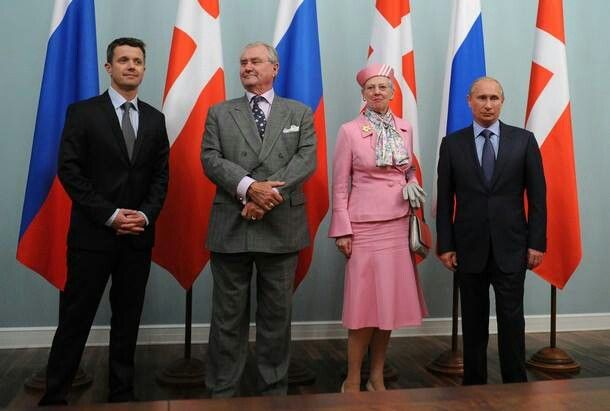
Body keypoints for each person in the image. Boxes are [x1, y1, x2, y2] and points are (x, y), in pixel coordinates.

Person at [39, 37, 169, 405]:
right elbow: (70, 171)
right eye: (123, 60)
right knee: (75, 320)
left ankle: (122, 393)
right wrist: (111, 215)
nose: (131, 66)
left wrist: (143, 215)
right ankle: (54, 395)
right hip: (93, 236)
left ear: (144, 68)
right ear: (108, 67)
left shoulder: (156, 120)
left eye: (138, 61)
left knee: (127, 321)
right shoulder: (82, 113)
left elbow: (161, 176)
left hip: (138, 237)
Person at [201, 41, 316, 397]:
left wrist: (265, 198)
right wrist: (251, 189)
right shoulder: (219, 112)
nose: (247, 66)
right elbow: (210, 159)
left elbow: (305, 160)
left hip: (282, 228)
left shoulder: (299, 112)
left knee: (276, 319)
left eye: (254, 61)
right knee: (226, 319)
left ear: (274, 67)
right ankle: (221, 392)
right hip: (232, 227)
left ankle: (273, 392)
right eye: (242, 62)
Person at [436, 76, 547, 385]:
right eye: (481, 98)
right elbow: (444, 201)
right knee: (473, 321)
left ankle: (515, 383)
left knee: (512, 319)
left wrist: (536, 243)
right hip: (468, 247)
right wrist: (445, 245)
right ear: (469, 102)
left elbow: (538, 198)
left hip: (512, 246)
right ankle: (474, 383)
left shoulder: (523, 141)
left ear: (502, 101)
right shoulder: (453, 144)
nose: (488, 104)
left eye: (493, 98)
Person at [328, 63, 427, 393]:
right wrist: (342, 229)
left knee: (388, 304)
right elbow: (340, 185)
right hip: (365, 226)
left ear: (393, 92)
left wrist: (412, 183)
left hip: (398, 223)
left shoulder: (405, 128)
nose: (378, 92)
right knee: (362, 307)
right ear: (363, 94)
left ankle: (377, 376)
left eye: (384, 87)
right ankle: (353, 377)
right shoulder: (350, 131)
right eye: (371, 88)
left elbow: (408, 169)